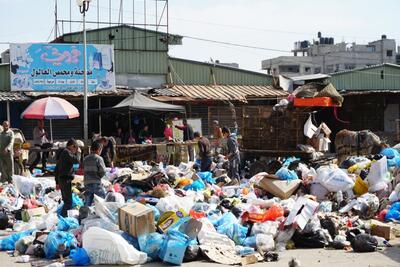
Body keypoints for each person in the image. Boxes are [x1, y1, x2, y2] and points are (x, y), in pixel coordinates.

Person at [55, 139, 81, 217]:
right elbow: (76, 160)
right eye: (75, 148)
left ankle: (63, 217)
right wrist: (79, 153)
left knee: (66, 200)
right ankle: (63, 217)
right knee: (68, 202)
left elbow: (56, 169)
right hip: (65, 179)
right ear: (72, 146)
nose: (75, 151)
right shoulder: (66, 152)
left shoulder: (63, 153)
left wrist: (57, 182)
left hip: (62, 179)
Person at [83, 141, 107, 206]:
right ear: (99, 150)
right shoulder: (99, 158)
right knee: (102, 201)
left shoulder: (85, 158)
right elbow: (103, 171)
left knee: (88, 201)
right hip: (96, 183)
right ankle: (102, 215)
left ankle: (85, 214)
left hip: (87, 183)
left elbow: (84, 170)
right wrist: (99, 176)